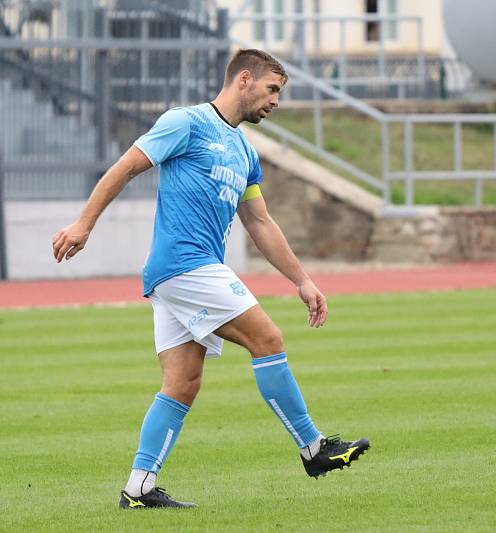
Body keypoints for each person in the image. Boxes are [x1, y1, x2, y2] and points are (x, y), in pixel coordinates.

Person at [51, 49, 370, 510]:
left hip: (183, 272)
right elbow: (126, 166)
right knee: (268, 338)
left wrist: (302, 280)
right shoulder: (186, 123)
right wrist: (83, 224)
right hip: (186, 265)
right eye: (272, 89)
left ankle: (139, 488)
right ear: (244, 79)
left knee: (182, 381)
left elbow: (260, 222)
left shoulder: (244, 151)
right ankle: (314, 448)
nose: (276, 101)